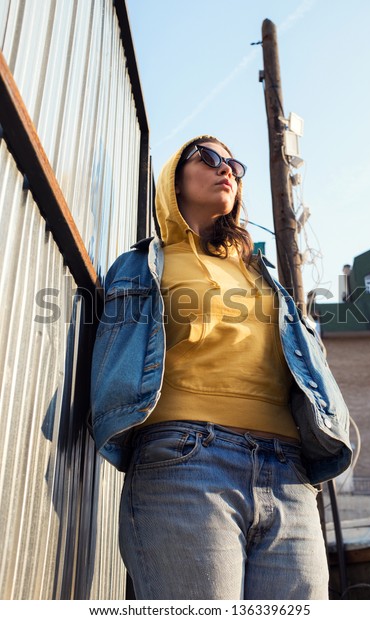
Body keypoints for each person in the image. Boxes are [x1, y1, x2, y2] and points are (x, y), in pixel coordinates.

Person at [90, 135, 352, 600]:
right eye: (209, 157)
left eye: (233, 162)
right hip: (187, 463)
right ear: (174, 178)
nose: (226, 168)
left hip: (289, 476)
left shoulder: (261, 273)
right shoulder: (142, 266)